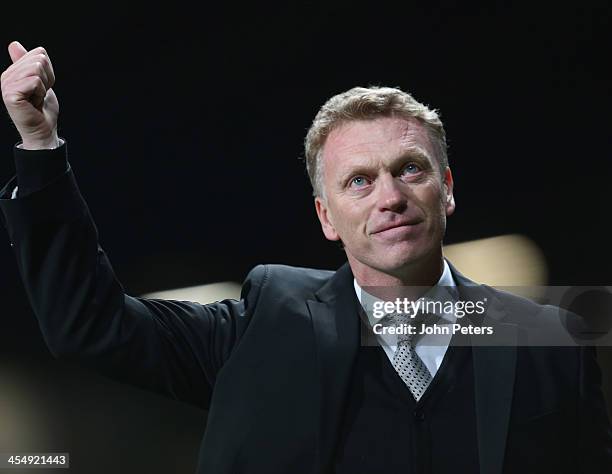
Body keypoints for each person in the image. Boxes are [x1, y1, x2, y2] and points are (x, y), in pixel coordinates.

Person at [1, 40, 611, 474]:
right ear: (326, 218)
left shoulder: (548, 338)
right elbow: (90, 327)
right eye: (359, 182)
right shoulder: (262, 324)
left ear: (447, 188)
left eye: (410, 170)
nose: (391, 197)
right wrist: (40, 146)